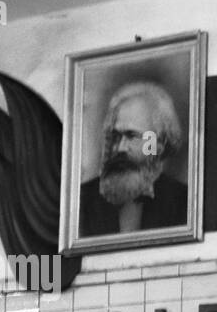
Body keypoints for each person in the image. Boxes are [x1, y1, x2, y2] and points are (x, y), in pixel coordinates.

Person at [78, 80, 188, 236]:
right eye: (115, 136)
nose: (121, 147)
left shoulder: (185, 202)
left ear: (159, 144)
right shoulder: (82, 201)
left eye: (132, 136)